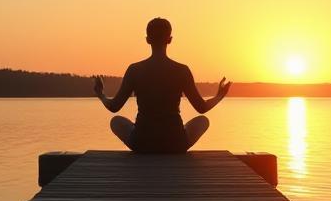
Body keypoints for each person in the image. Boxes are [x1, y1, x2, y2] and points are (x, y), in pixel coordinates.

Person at [93, 18, 231, 153]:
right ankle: (172, 135)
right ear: (169, 39)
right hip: (176, 144)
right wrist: (219, 96)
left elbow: (114, 107)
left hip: (142, 143)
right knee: (203, 121)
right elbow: (201, 108)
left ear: (147, 40)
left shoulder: (134, 70)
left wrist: (101, 94)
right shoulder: (182, 70)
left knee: (116, 121)